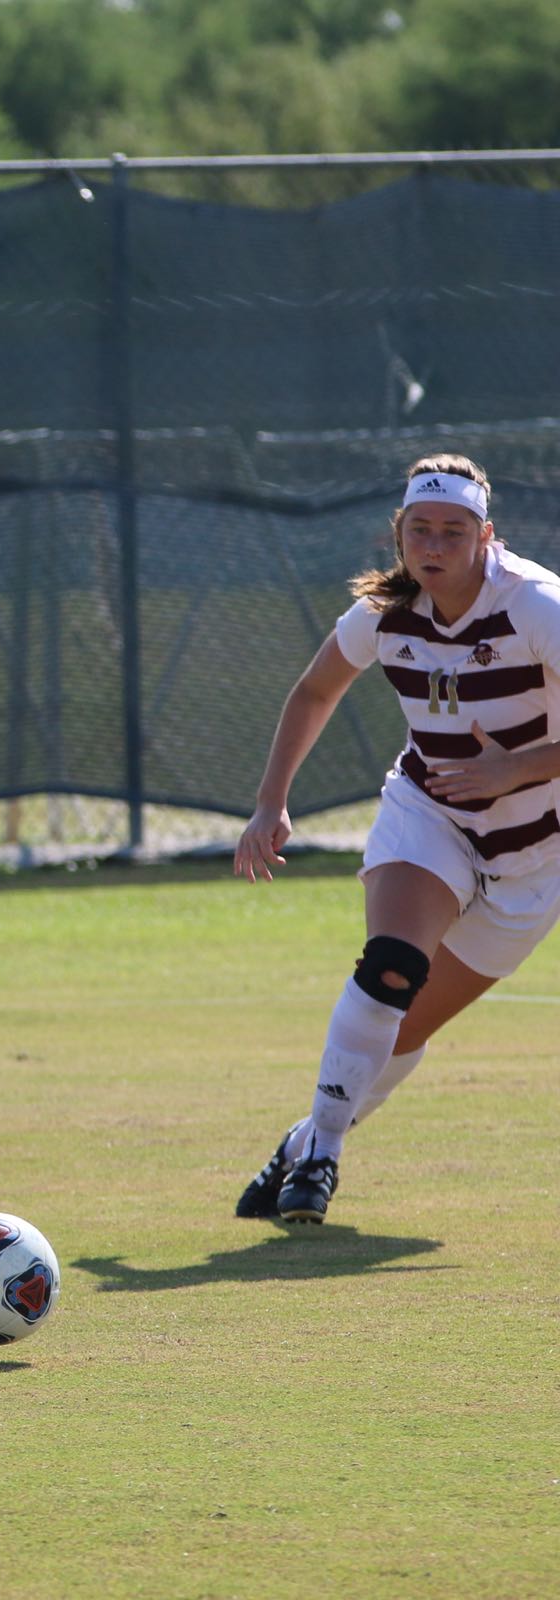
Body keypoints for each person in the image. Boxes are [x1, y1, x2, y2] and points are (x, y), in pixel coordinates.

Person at [232, 454, 560, 1224]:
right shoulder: (386, 613)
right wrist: (269, 804)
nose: (435, 545)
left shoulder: (536, 606)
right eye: (421, 530)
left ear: (488, 536)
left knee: (404, 1028)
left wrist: (516, 769)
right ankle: (321, 1160)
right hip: (430, 815)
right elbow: (315, 689)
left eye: (454, 530)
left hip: (535, 857)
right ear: (400, 536)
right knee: (390, 971)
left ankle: (304, 1136)